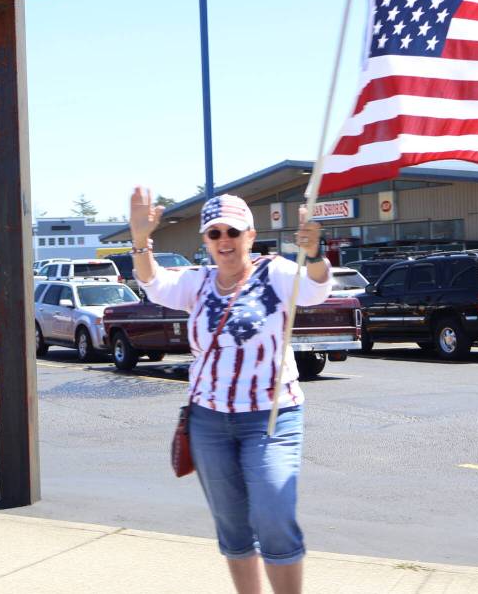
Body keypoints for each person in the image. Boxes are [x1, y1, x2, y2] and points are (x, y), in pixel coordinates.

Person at [129, 188, 330, 594]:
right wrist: (139, 241)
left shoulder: (273, 273)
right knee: (233, 526)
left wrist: (315, 256)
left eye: (233, 232)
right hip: (209, 421)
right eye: (215, 233)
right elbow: (154, 282)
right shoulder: (197, 284)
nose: (225, 241)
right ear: (205, 241)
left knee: (274, 515)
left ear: (250, 236)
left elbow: (315, 290)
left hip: (270, 418)